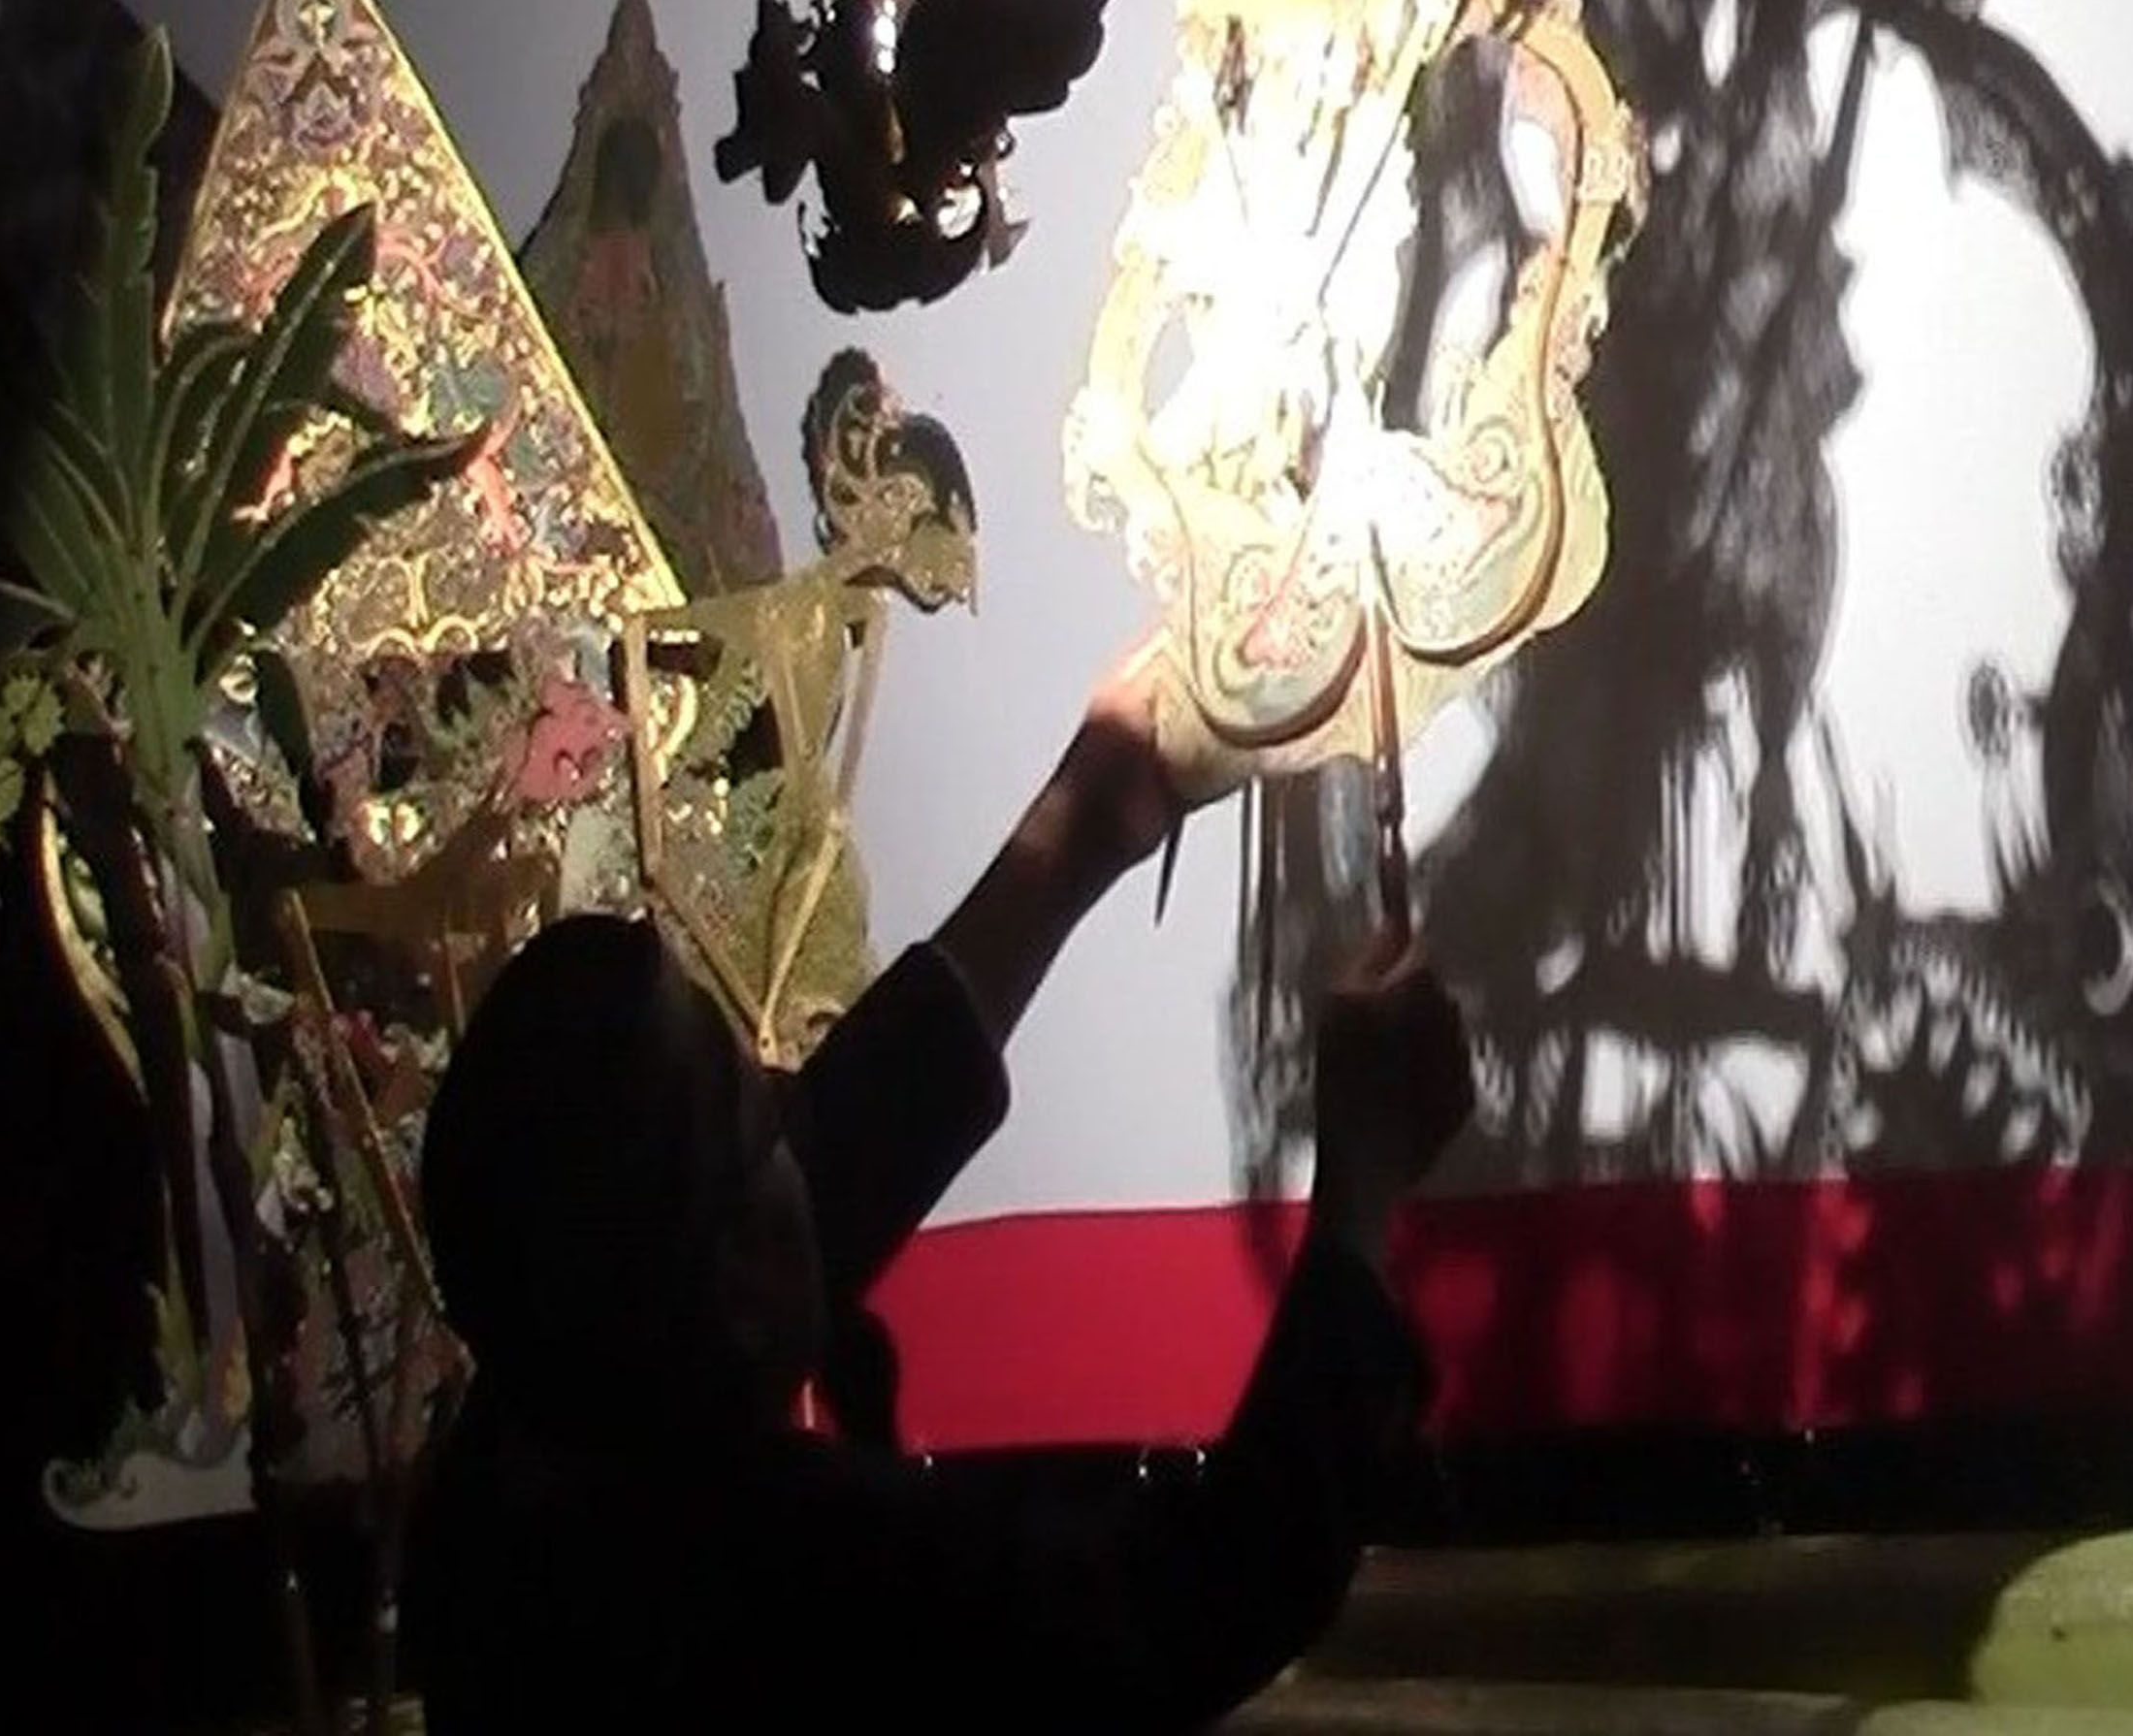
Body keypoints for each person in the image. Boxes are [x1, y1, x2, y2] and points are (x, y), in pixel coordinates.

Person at [404, 657, 1473, 1735]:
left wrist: (1081, 827)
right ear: (736, 1276)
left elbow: (834, 1156)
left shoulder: (525, 1457)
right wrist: (1358, 1190)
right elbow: (1193, 1589)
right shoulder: (792, 1584)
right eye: (759, 1110)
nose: (790, 1091)